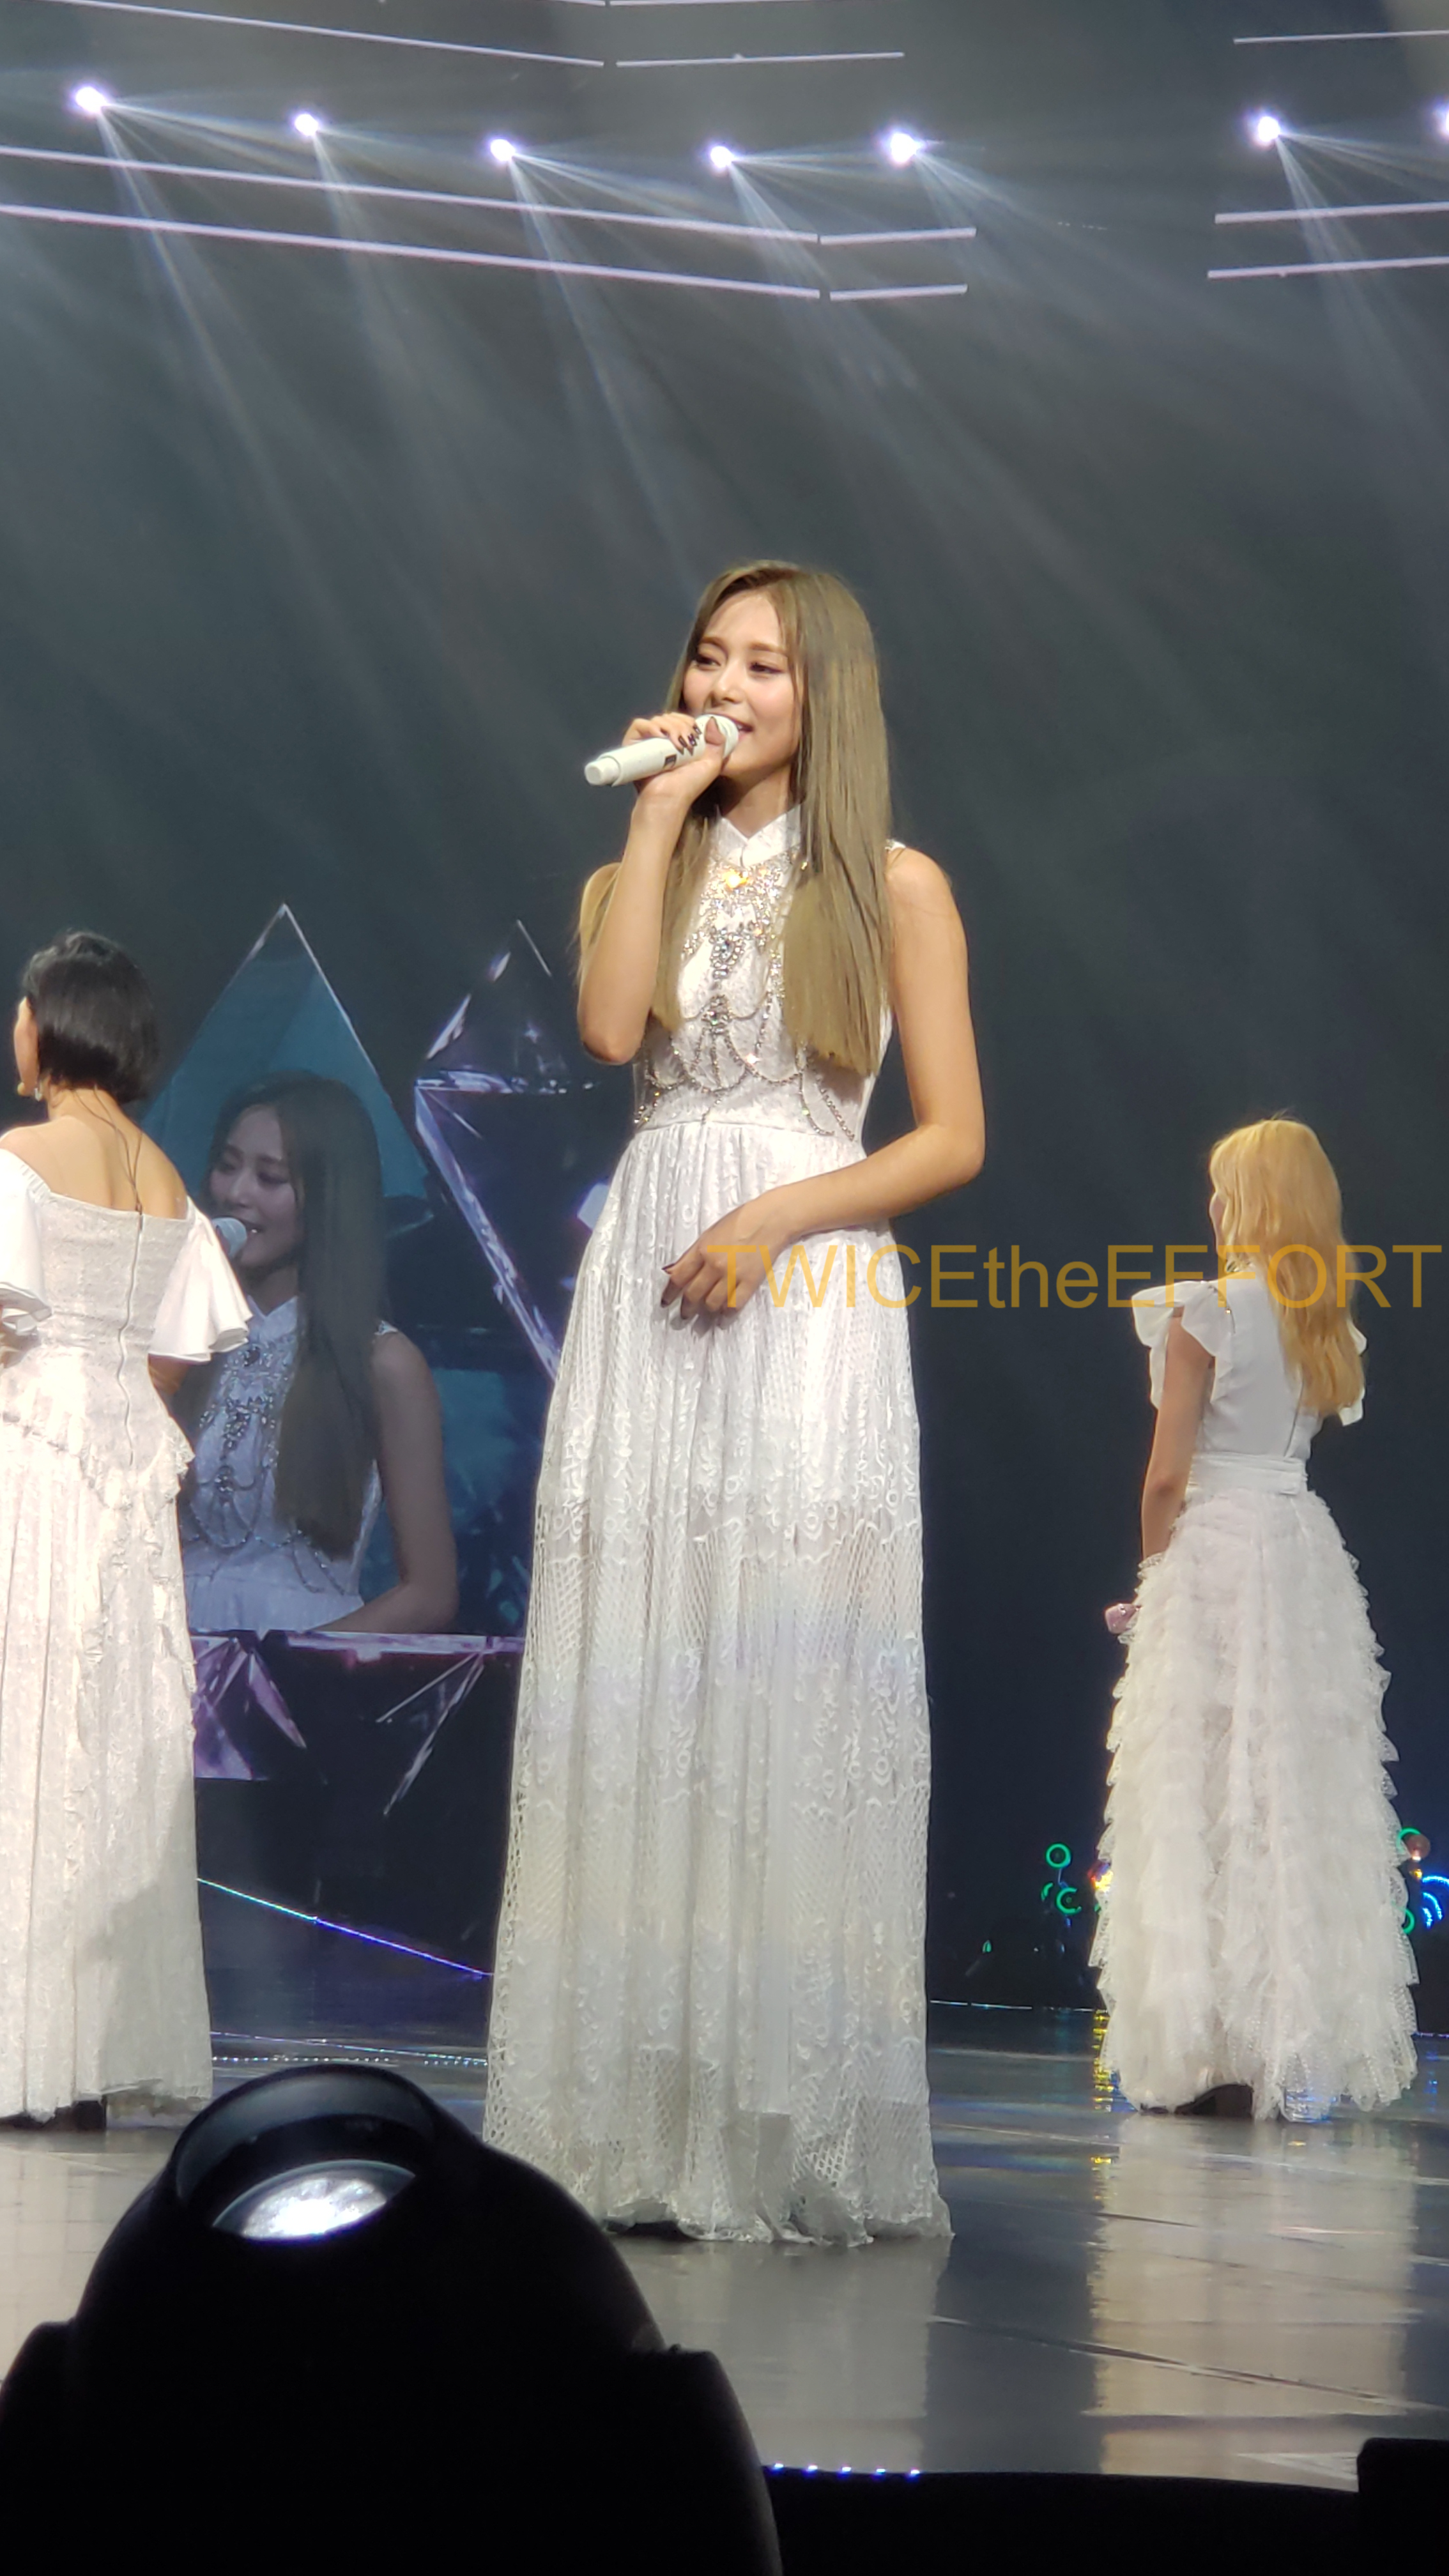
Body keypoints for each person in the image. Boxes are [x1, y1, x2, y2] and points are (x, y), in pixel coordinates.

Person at [484, 562, 985, 2241]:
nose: (725, 687)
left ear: (824, 694)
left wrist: (775, 1219)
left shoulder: (896, 886)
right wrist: (655, 821)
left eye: (764, 666)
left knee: (774, 1655)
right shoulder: (645, 861)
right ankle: (618, 2120)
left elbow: (950, 1136)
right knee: (641, 1656)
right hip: (651, 1270)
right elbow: (606, 1028)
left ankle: (773, 2120)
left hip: (804, 1282)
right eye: (709, 658)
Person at [1093, 1116, 1416, 2122]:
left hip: (1218, 1551)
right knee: (1287, 1795)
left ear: (1252, 1202)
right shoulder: (1325, 1326)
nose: (1212, 1204)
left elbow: (1166, 1477)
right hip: (1299, 1554)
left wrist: (1154, 1587)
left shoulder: (1207, 1309)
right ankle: (1285, 2045)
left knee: (1200, 1789)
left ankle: (1203, 2047)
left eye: (1224, 1187)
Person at [0, 932, 250, 2126]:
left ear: (52, 1023)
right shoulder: (167, 1182)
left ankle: (21, 2049)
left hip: (31, 1454)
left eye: (22, 1009)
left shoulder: (20, 1160)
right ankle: (82, 2056)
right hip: (124, 1477)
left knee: (23, 1731)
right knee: (106, 1748)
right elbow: (170, 1360)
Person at [180, 1073, 457, 1636]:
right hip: (163, 1654)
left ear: (328, 1196)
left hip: (294, 1671)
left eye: (270, 1178)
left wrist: (291, 1665)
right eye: (227, 1166)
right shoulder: (181, 1342)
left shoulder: (382, 1362)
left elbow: (430, 1593)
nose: (236, 1193)